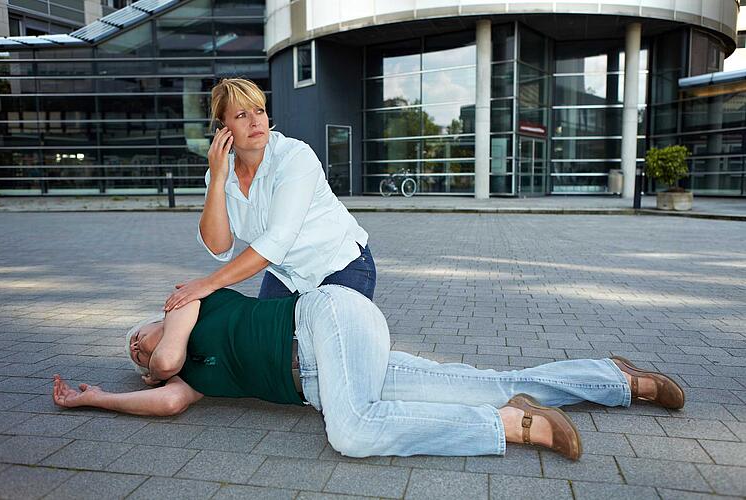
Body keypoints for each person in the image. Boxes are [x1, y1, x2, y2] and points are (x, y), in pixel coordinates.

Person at [53, 286, 685, 460]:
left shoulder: (190, 302)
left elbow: (164, 361)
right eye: (132, 355)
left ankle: (515, 428)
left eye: (134, 340)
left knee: (350, 434)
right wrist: (97, 399)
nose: (139, 353)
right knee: (488, 377)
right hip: (342, 368)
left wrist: (154, 355)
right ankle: (617, 380)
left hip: (327, 320)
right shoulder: (193, 380)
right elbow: (166, 401)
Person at [164, 79, 374, 312]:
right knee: (266, 344)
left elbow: (277, 239)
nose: (255, 122)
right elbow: (218, 246)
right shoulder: (220, 173)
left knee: (328, 344)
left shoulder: (294, 156)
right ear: (223, 126)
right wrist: (216, 180)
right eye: (242, 115)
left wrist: (208, 283)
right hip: (286, 275)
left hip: (339, 264)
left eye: (259, 111)